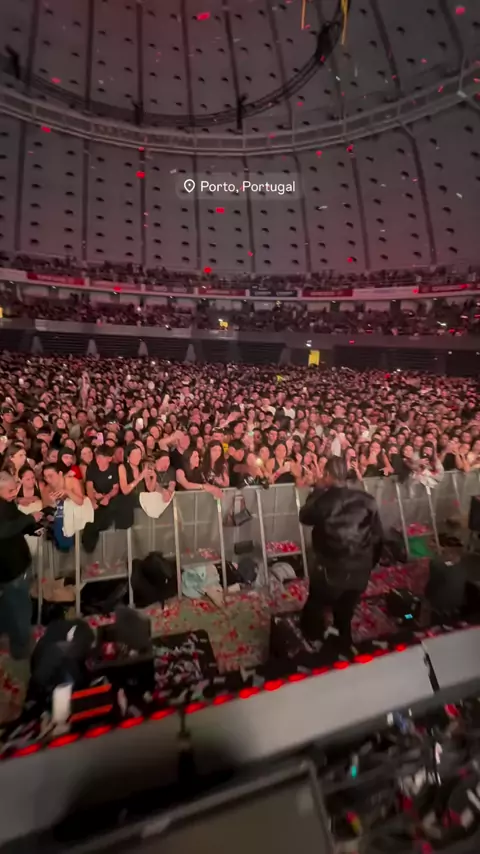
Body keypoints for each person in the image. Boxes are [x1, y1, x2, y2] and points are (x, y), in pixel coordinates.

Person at [299, 457, 383, 647]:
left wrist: (317, 490)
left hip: (331, 570)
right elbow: (378, 537)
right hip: (361, 569)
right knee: (345, 610)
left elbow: (304, 516)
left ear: (327, 475)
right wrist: (369, 564)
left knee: (316, 605)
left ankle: (312, 640)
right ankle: (342, 641)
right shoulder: (367, 499)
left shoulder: (324, 500)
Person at [0, 471, 43, 662]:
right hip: (12, 567)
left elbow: (16, 519)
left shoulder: (7, 503)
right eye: (10, 490)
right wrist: (29, 519)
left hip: (11, 565)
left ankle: (9, 636)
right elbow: (4, 529)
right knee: (21, 610)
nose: (14, 493)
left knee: (8, 605)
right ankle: (21, 650)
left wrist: (32, 527)